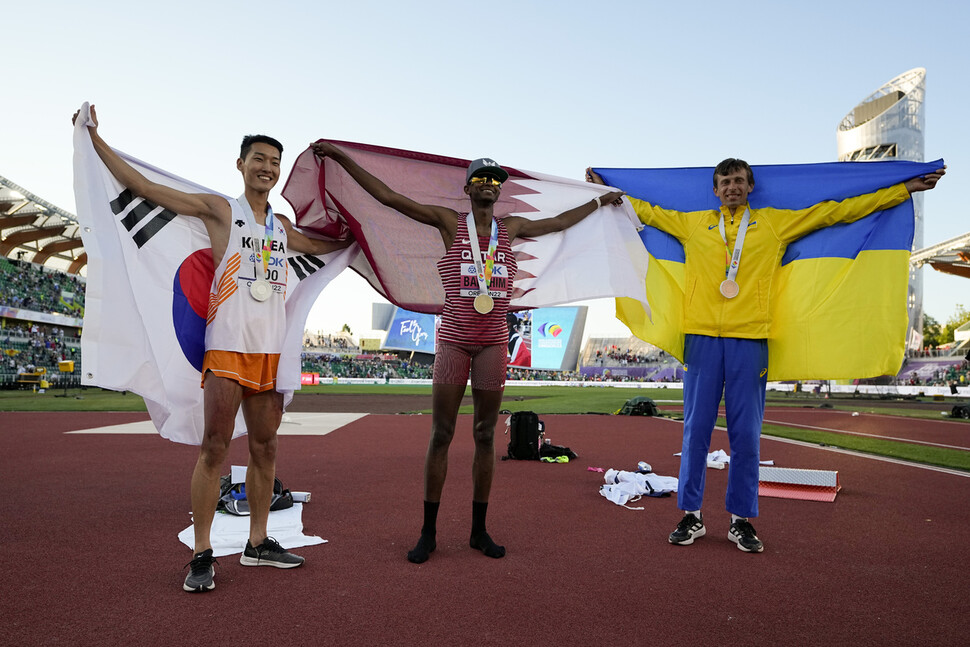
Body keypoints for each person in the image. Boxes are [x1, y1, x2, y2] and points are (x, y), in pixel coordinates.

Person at [588, 159, 944, 552]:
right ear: (715, 190)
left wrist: (901, 191)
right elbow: (646, 211)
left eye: (738, 181)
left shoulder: (774, 224)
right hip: (702, 340)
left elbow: (834, 212)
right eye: (725, 182)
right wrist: (603, 188)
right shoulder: (693, 224)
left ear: (750, 186)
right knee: (695, 434)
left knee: (746, 436)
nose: (732, 188)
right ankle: (692, 515)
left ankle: (741, 521)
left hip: (751, 339)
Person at [74, 105, 355, 592]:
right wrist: (97, 144)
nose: (267, 167)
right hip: (226, 349)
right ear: (241, 164)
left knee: (266, 449)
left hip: (269, 353)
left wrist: (363, 233)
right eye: (259, 159)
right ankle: (202, 553)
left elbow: (320, 247)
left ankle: (258, 543)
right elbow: (149, 191)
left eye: (274, 162)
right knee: (214, 450)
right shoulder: (221, 210)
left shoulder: (282, 229)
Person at [314, 141, 623, 562]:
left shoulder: (510, 229)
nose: (489, 185)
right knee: (441, 434)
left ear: (499, 190)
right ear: (467, 189)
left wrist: (600, 202)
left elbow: (559, 222)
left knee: (484, 435)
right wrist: (342, 159)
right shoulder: (448, 222)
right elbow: (389, 197)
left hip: (494, 342)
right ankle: (429, 532)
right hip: (454, 341)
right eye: (480, 179)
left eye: (495, 180)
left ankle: (479, 531)